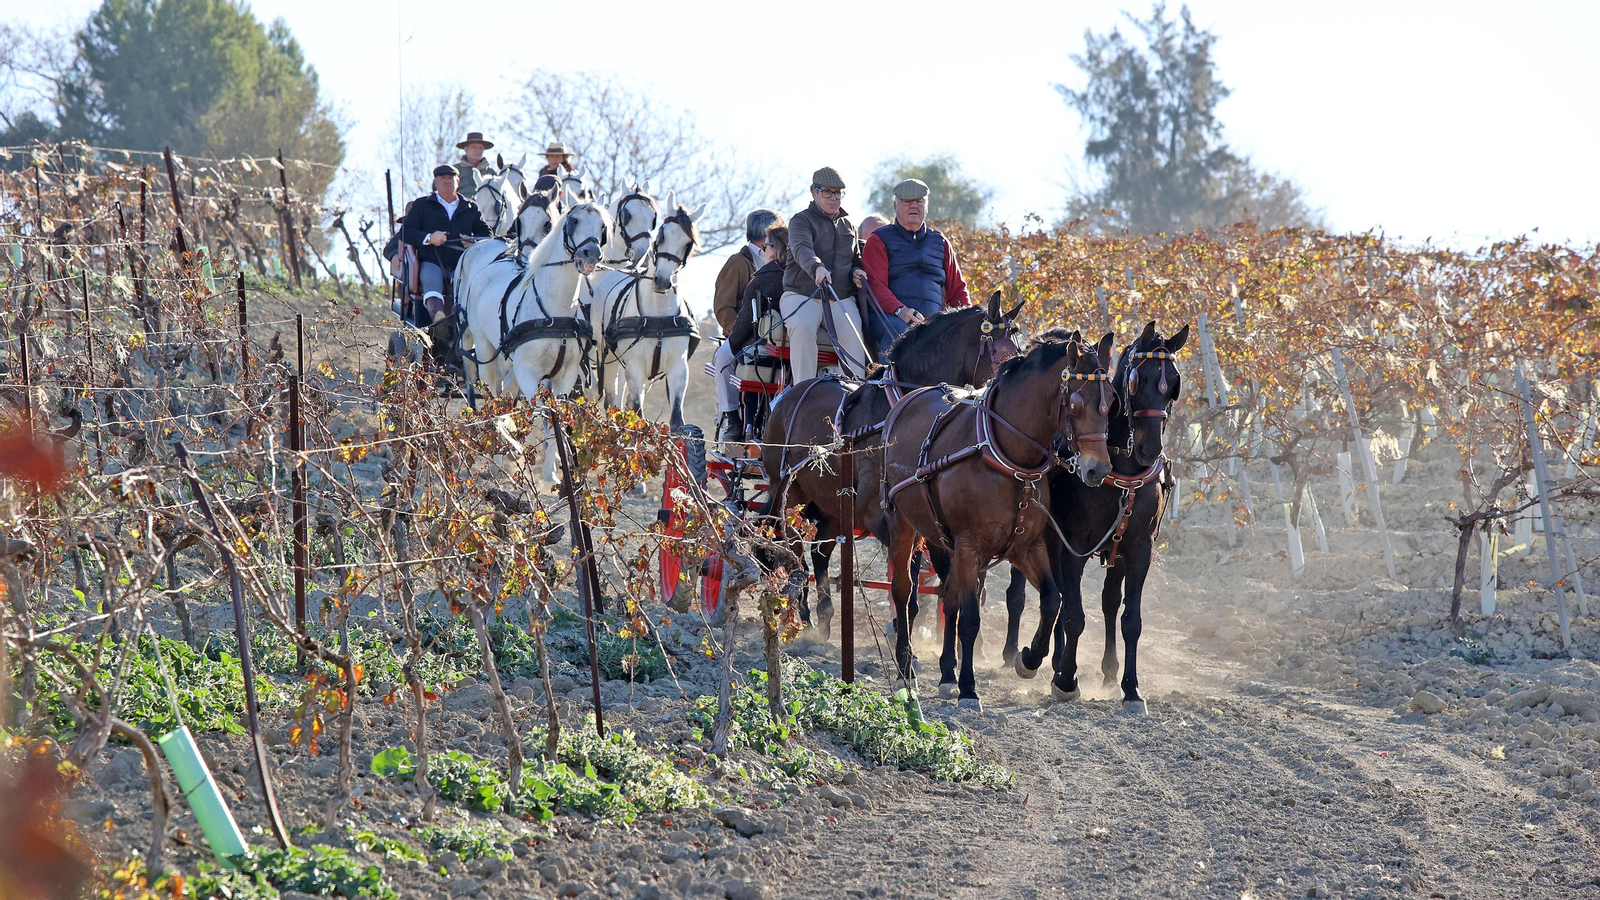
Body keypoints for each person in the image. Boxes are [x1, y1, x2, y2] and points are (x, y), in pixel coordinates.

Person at [780, 167, 870, 384]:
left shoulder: (849, 226)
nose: (834, 197)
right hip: (801, 296)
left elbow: (855, 259)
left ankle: (853, 395)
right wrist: (816, 268)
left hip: (839, 298)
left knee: (855, 335)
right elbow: (802, 249)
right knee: (802, 326)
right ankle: (803, 392)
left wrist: (857, 271)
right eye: (828, 192)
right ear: (814, 192)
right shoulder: (800, 221)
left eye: (838, 192)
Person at [861, 178, 971, 354]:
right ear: (895, 206)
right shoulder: (879, 240)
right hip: (891, 318)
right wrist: (900, 311)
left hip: (933, 323)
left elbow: (958, 290)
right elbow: (875, 285)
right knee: (901, 335)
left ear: (926, 206)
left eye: (919, 202)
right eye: (907, 202)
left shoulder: (941, 242)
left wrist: (968, 320)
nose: (914, 206)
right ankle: (889, 382)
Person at [712, 209, 784, 442]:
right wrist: (740, 336)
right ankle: (732, 416)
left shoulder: (784, 262)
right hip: (743, 334)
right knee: (722, 359)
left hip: (776, 336)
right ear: (768, 235)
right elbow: (723, 307)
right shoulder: (738, 262)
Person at [401, 165, 492, 322]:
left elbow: (487, 236)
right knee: (431, 278)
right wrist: (430, 238)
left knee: (469, 285)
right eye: (442, 178)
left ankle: (469, 322)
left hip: (461, 263)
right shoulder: (422, 205)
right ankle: (438, 318)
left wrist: (472, 242)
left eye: (450, 178)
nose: (447, 182)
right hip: (431, 261)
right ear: (435, 183)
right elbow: (407, 232)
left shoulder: (471, 207)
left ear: (458, 181)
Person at [454, 131, 496, 197]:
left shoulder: (490, 173)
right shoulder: (455, 170)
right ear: (466, 149)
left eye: (480, 148)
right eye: (474, 147)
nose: (478, 150)